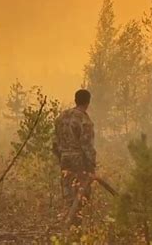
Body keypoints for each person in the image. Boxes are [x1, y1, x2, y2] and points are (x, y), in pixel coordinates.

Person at [53, 89, 96, 227]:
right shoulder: (84, 119)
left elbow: (55, 143)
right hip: (79, 161)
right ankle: (75, 227)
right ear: (88, 102)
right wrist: (91, 166)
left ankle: (70, 224)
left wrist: (61, 157)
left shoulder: (61, 117)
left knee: (68, 194)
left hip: (64, 158)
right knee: (81, 194)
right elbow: (87, 146)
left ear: (75, 99)